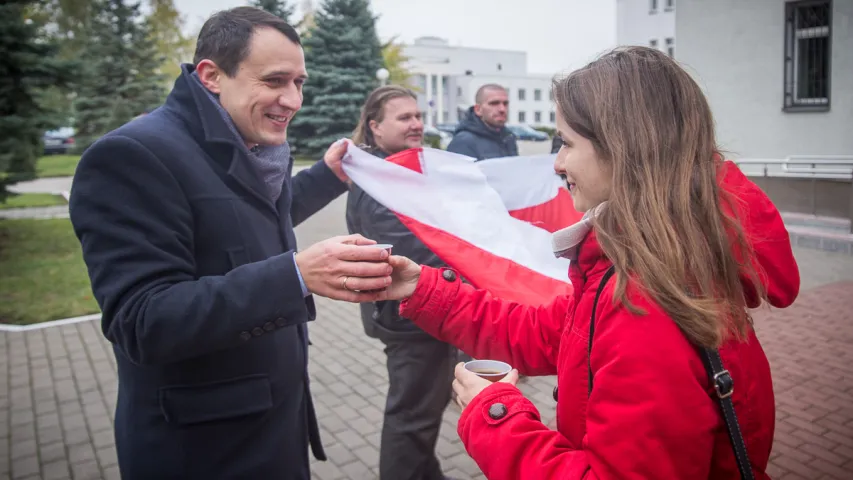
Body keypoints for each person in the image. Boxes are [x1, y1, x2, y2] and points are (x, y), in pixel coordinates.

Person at [378, 46, 801, 479]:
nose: (557, 164)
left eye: (567, 143)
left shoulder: (645, 304)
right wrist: (423, 289)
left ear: (624, 150)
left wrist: (496, 416)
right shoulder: (649, 259)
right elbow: (546, 333)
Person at [68, 7, 393, 479]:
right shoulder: (132, 156)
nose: (293, 99)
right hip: (204, 450)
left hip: (272, 430)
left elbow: (248, 220)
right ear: (212, 76)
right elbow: (141, 320)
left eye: (299, 82)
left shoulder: (250, 145)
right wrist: (296, 274)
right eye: (275, 80)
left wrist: (327, 176)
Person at [345, 85, 460, 480]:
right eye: (404, 118)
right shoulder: (381, 182)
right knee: (412, 416)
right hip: (410, 317)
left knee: (421, 410)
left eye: (418, 116)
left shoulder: (397, 171)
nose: (416, 124)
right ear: (375, 127)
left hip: (422, 311)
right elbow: (414, 255)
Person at [446, 84, 518, 160]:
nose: (502, 109)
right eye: (494, 103)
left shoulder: (508, 138)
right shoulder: (464, 142)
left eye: (505, 104)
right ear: (478, 109)